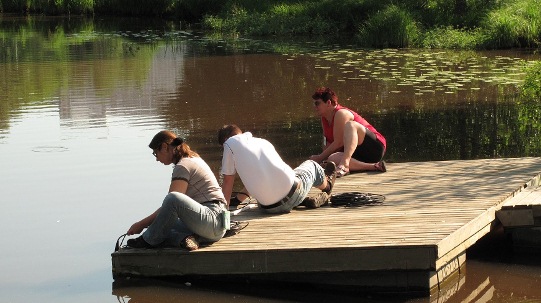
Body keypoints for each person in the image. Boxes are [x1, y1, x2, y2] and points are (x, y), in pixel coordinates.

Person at [125, 130, 228, 251]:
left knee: (172, 198)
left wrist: (141, 224)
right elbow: (167, 214)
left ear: (164, 147)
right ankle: (184, 239)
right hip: (217, 225)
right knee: (161, 226)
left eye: (155, 153)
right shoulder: (193, 158)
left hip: (213, 219)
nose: (156, 159)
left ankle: (147, 240)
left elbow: (171, 203)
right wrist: (149, 225)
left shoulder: (183, 166)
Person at [218, 124, 336, 212]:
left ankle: (301, 199)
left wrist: (223, 211)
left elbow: (228, 181)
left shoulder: (229, 144)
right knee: (312, 165)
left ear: (225, 141)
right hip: (290, 195)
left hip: (267, 208)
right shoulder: (262, 142)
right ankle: (327, 186)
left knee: (293, 175)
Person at [310, 87, 387, 177]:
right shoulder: (324, 118)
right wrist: (323, 161)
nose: (314, 107)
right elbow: (327, 143)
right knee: (332, 159)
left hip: (375, 148)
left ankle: (345, 165)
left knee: (350, 125)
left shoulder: (341, 113)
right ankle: (374, 166)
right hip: (359, 155)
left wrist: (319, 158)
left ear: (328, 103)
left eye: (317, 103)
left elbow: (338, 143)